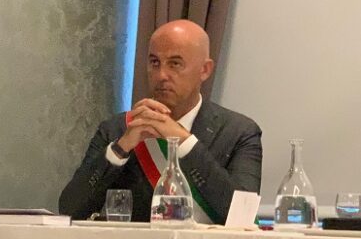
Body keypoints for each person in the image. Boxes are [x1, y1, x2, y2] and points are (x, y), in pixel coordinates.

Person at [59, 20, 262, 224]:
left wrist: (184, 142)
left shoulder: (239, 132)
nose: (161, 75)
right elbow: (70, 209)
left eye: (175, 64)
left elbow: (243, 215)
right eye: (155, 62)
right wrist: (120, 149)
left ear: (205, 70)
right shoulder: (117, 129)